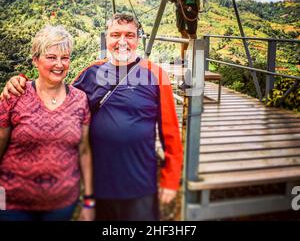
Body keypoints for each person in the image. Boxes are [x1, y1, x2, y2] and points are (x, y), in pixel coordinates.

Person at [1, 14, 183, 221]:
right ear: (107, 38)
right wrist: (20, 82)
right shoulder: (90, 73)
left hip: (139, 184)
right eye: (115, 35)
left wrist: (170, 180)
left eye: (129, 35)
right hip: (100, 185)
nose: (122, 41)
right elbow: (56, 90)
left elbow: (170, 133)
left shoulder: (157, 76)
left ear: (138, 39)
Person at [0, 25, 94, 221]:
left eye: (65, 57)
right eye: (51, 57)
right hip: (11, 203)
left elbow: (84, 150)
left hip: (61, 204)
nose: (59, 64)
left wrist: (88, 201)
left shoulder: (80, 99)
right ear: (35, 60)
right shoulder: (15, 95)